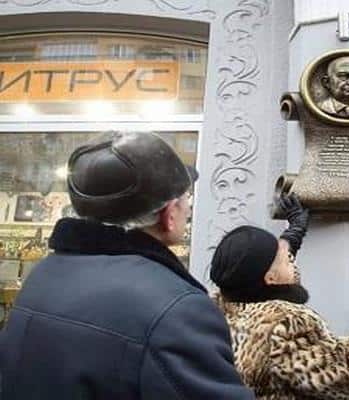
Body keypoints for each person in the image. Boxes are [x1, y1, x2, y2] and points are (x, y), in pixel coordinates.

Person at [0, 132, 253, 399]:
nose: (188, 208)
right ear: (169, 214)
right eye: (186, 197)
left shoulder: (44, 274)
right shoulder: (178, 308)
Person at [210, 194, 349, 399]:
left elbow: (261, 273)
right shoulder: (284, 325)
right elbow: (344, 377)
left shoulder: (217, 312)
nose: (291, 261)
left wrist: (294, 233)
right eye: (285, 260)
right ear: (271, 278)